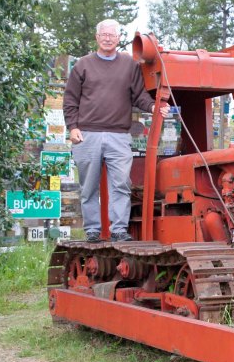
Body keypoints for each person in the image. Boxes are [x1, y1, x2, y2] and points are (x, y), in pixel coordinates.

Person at [63, 19, 170, 243]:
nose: (108, 38)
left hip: (119, 135)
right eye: (104, 34)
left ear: (119, 39)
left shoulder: (129, 66)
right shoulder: (83, 65)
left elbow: (139, 95)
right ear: (97, 38)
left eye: (112, 35)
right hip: (87, 134)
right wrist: (73, 127)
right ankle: (92, 230)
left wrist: (153, 106)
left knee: (121, 184)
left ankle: (118, 229)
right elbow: (70, 100)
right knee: (89, 186)